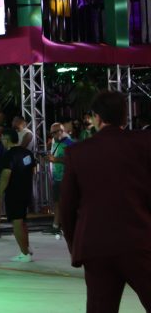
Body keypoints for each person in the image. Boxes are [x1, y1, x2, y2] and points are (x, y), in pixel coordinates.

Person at [60, 91, 151, 311]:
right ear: (125, 117)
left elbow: (67, 208)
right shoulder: (145, 143)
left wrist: (76, 246)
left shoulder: (77, 152)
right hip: (140, 242)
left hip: (95, 247)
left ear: (96, 118)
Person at [0, 129, 35, 262]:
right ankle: (27, 249)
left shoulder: (8, 155)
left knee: (17, 223)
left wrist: (0, 192)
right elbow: (33, 170)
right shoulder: (27, 153)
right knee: (22, 222)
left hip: (14, 192)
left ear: (6, 139)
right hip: (26, 190)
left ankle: (24, 253)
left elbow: (6, 175)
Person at [43, 122, 73, 237]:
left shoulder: (69, 143)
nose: (53, 135)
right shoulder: (55, 143)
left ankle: (66, 226)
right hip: (56, 177)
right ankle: (56, 225)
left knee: (65, 203)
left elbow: (72, 159)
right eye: (52, 133)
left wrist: (55, 159)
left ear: (62, 130)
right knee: (57, 203)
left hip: (66, 177)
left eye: (55, 132)